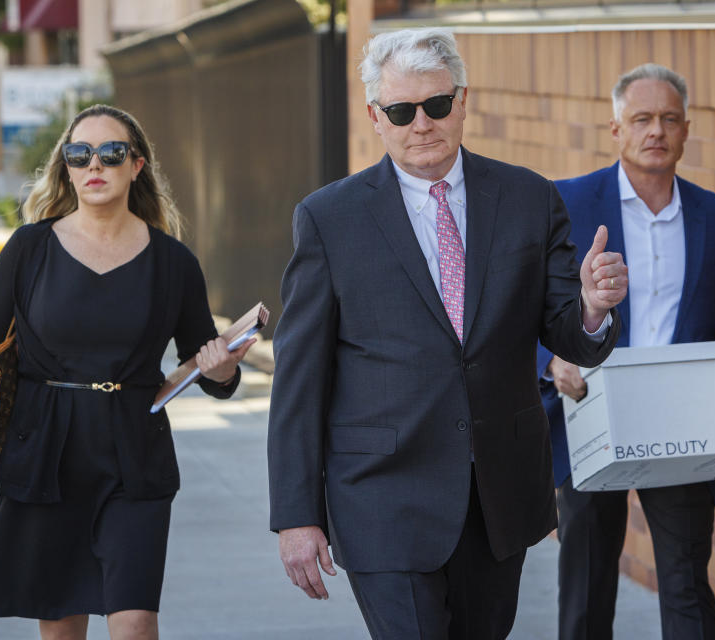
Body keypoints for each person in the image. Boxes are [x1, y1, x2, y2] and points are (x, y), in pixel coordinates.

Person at [267, 28, 627, 639]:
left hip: (498, 495)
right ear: (377, 116)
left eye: (436, 105)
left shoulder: (528, 198)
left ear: (462, 100)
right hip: (382, 496)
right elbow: (300, 380)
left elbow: (569, 332)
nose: (422, 124)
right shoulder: (329, 219)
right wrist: (296, 516)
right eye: (402, 111)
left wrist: (593, 307)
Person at [0, 104, 254, 640]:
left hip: (135, 456)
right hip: (44, 455)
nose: (94, 164)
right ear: (66, 167)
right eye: (79, 154)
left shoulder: (173, 263)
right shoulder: (29, 249)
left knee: (135, 622)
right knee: (61, 628)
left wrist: (221, 370)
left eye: (111, 153)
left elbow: (208, 366)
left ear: (137, 165)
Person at [537, 63, 715, 640]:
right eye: (641, 118)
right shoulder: (569, 202)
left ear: (686, 130)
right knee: (586, 586)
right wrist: (552, 360)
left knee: (686, 582)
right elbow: (532, 307)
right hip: (591, 413)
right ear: (615, 128)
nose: (655, 130)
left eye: (668, 119)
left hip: (681, 421)